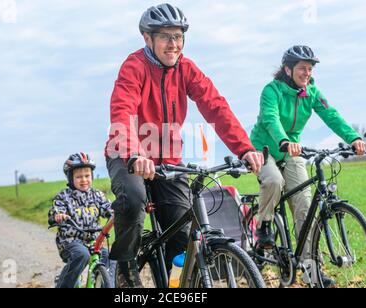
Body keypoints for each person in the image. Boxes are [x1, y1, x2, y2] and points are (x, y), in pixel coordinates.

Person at [104, 3, 264, 288]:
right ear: (147, 39)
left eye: (179, 37)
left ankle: (177, 285)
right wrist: (133, 154)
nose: (174, 44)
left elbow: (215, 106)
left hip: (168, 163)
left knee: (182, 234)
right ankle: (125, 267)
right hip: (128, 155)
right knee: (133, 198)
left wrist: (244, 147)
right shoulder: (134, 66)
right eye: (166, 36)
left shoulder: (187, 69)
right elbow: (123, 110)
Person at [250, 45, 366, 286]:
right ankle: (263, 225)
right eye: (302, 68)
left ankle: (312, 272)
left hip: (292, 149)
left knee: (304, 207)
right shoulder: (271, 91)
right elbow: (270, 117)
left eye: (310, 69)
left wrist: (353, 137)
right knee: (273, 180)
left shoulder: (311, 92)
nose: (307, 73)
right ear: (287, 69)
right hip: (264, 148)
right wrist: (282, 140)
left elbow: (331, 115)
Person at [48, 152, 113, 288]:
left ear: (92, 176)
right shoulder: (64, 196)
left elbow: (108, 208)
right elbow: (55, 210)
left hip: (95, 241)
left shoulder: (97, 195)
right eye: (78, 177)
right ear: (71, 178)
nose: (84, 180)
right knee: (82, 255)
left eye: (87, 175)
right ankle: (64, 284)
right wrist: (58, 215)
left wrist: (118, 212)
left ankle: (106, 284)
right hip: (71, 241)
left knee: (110, 258)